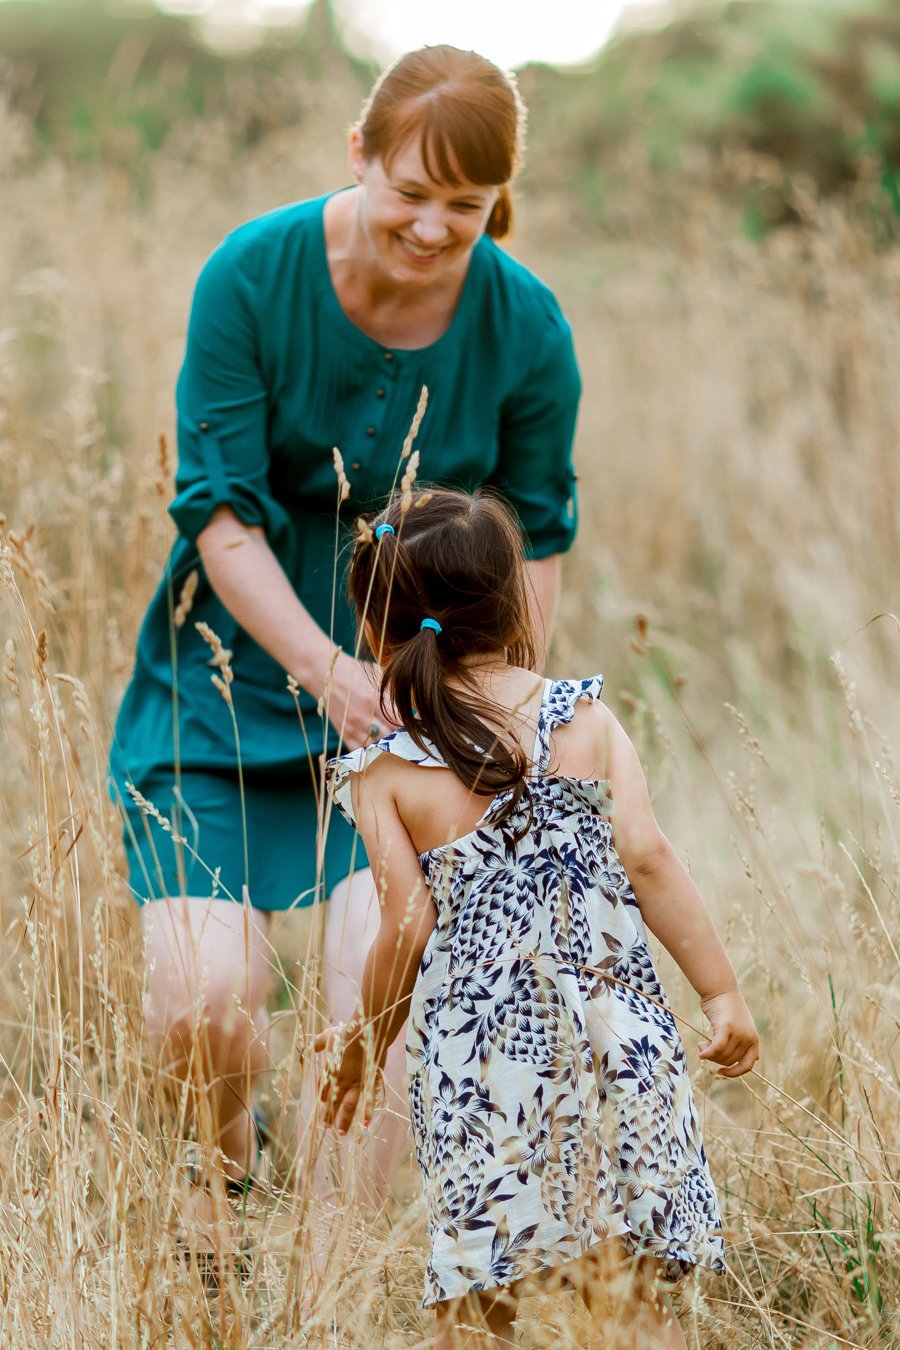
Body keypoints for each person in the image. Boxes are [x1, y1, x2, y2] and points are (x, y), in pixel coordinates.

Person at [108, 45, 581, 1203]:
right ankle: (223, 1204)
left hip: (413, 716)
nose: (430, 228)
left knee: (386, 997)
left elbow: (541, 537)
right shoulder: (251, 276)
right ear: (357, 152)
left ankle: (335, 1276)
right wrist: (323, 668)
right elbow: (216, 511)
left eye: (463, 211)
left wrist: (488, 712)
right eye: (408, 194)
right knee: (204, 1003)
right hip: (220, 688)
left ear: (496, 202)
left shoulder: (528, 328)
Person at [318, 488, 760, 1348]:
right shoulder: (589, 721)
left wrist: (366, 1049)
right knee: (632, 1304)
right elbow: (651, 857)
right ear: (515, 603)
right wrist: (721, 994)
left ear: (379, 633)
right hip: (618, 1053)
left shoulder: (387, 773)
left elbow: (405, 926)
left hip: (484, 1081)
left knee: (478, 1313)